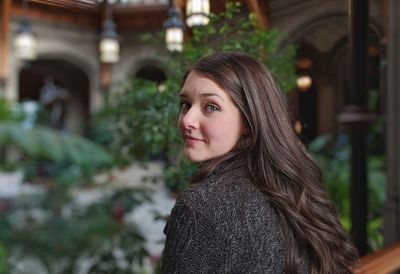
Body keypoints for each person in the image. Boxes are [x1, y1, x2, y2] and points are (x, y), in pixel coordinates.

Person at [161, 52, 358, 273]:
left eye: (211, 107)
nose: (187, 119)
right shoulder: (290, 186)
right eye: (186, 104)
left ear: (248, 120)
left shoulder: (199, 206)